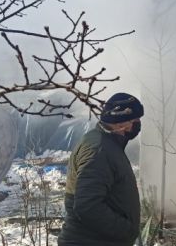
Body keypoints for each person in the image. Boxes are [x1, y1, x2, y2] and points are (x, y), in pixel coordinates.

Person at [58, 92, 144, 246]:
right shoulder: (100, 150)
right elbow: (88, 206)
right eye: (135, 120)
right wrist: (126, 230)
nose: (138, 124)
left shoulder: (108, 144)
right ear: (121, 122)